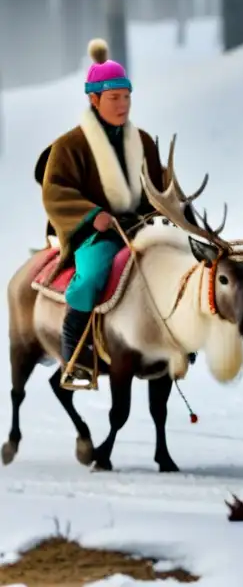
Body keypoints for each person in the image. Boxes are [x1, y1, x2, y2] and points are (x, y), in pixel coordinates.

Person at [40, 38, 166, 385]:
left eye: (126, 97)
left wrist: (173, 201)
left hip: (140, 226)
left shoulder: (143, 141)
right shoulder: (70, 145)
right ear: (94, 99)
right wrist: (91, 213)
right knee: (90, 279)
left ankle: (177, 341)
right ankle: (75, 355)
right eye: (114, 98)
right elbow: (55, 191)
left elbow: (158, 184)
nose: (123, 104)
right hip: (95, 232)